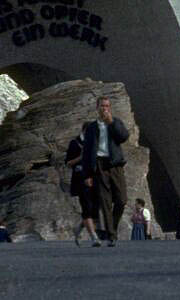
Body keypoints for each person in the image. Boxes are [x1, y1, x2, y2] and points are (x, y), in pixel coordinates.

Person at [82, 95, 129, 247]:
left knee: (122, 200)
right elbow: (87, 152)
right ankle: (112, 236)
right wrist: (87, 174)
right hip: (99, 165)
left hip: (115, 164)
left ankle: (111, 229)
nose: (105, 109)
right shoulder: (91, 128)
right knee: (105, 201)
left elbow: (123, 137)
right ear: (97, 108)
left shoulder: (115, 122)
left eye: (107, 106)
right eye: (102, 106)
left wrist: (112, 123)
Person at [65, 122, 99, 246]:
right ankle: (94, 237)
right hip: (80, 180)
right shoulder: (75, 143)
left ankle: (79, 228)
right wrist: (80, 157)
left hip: (94, 179)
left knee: (94, 209)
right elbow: (68, 163)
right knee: (86, 207)